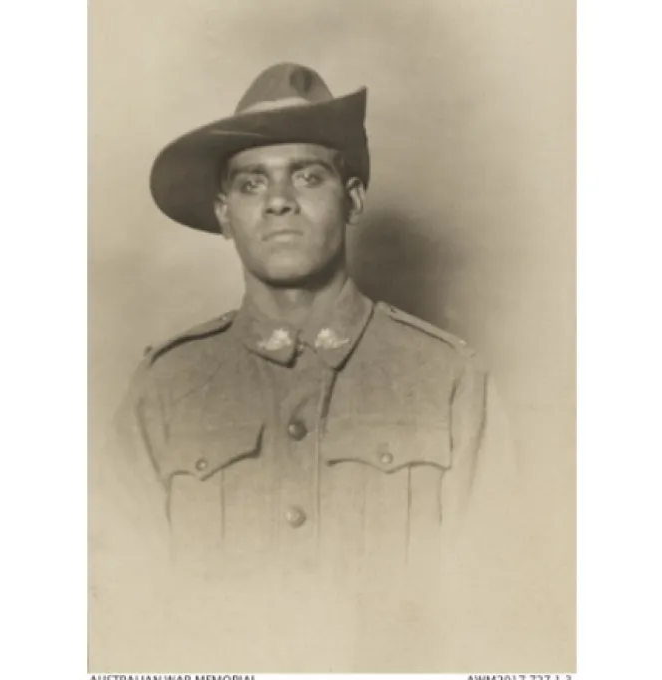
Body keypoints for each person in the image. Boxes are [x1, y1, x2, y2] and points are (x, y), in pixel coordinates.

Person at [90, 62, 527, 671]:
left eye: (307, 175)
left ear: (352, 200)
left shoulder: (447, 382)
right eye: (250, 183)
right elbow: (118, 618)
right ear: (223, 213)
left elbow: (500, 617)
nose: (277, 202)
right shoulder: (165, 389)